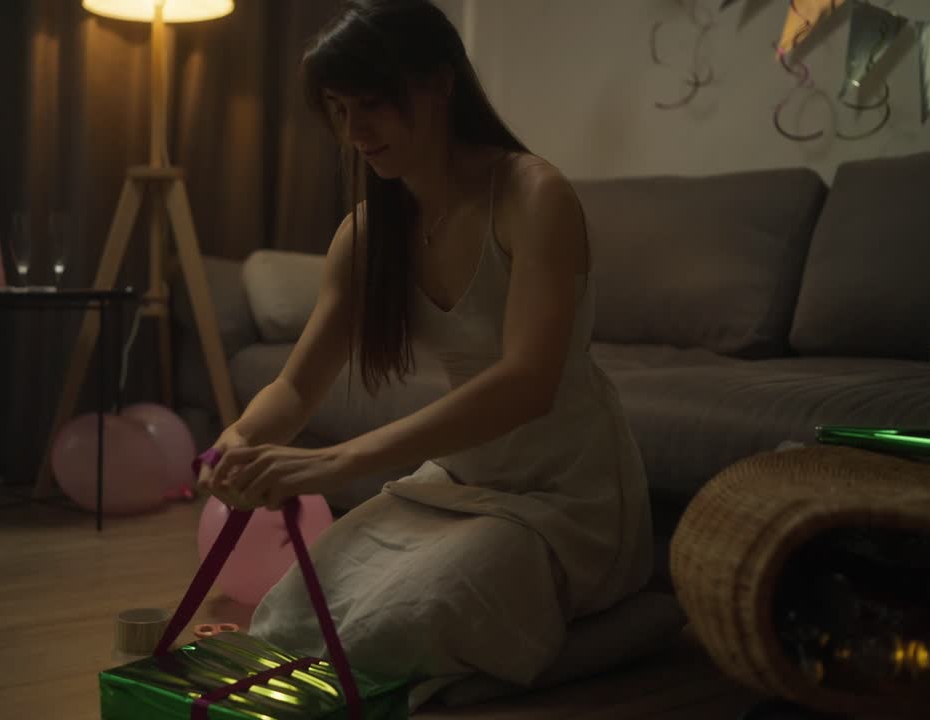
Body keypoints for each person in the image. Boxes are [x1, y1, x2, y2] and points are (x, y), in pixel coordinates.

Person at [196, 0, 654, 709]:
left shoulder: (533, 194)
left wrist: (338, 460)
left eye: (372, 105)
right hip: (461, 484)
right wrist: (240, 439)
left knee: (395, 624)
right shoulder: (368, 232)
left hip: (568, 494)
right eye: (339, 111)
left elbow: (528, 382)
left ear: (440, 83)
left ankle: (615, 628)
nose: (354, 133)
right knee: (285, 618)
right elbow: (296, 384)